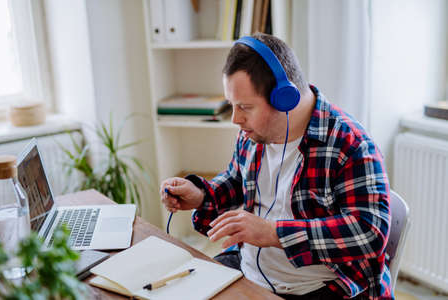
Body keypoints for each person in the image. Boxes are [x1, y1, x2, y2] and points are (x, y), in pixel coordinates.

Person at [160, 33, 392, 300]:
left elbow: (369, 233)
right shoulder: (253, 134)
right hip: (248, 271)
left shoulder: (350, 145)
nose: (235, 119)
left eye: (245, 107)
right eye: (232, 105)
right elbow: (236, 181)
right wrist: (200, 195)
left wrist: (273, 233)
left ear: (285, 98)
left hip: (322, 288)